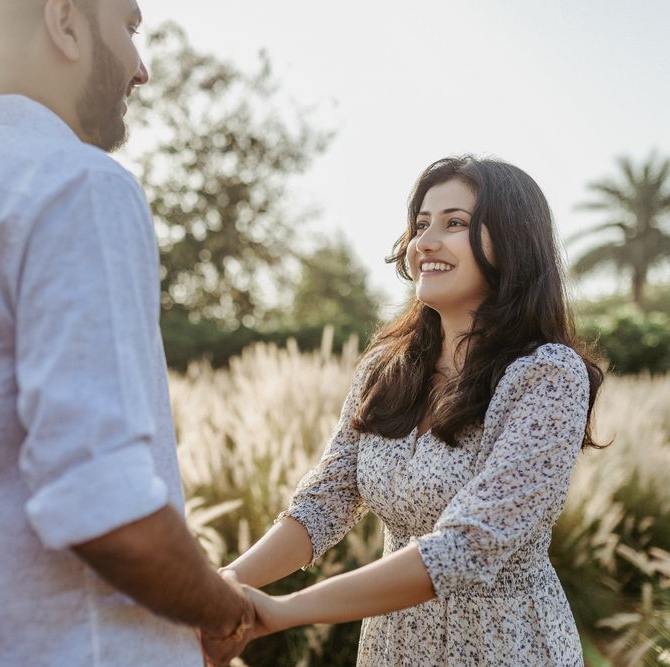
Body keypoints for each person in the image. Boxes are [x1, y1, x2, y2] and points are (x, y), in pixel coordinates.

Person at [0, 0, 254, 665]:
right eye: (130, 28)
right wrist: (223, 609)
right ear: (66, 21)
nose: (142, 69)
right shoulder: (80, 186)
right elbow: (103, 505)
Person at [220, 155, 608, 666]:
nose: (425, 241)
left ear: (513, 242)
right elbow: (325, 502)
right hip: (392, 649)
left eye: (456, 224)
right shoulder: (387, 366)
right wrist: (227, 583)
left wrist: (285, 610)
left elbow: (470, 547)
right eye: (421, 224)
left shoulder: (546, 375)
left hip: (506, 649)